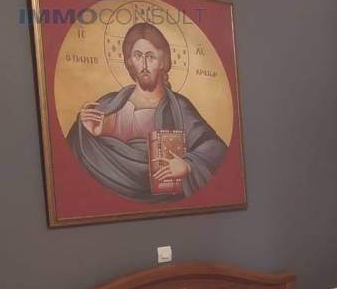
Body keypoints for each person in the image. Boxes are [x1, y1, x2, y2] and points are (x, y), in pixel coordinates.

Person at [67, 22, 227, 200]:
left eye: (150, 57)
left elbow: (216, 148)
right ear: (129, 62)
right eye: (137, 56)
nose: (143, 65)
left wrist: (188, 165)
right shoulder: (108, 104)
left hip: (164, 200)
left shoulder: (179, 107)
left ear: (162, 62)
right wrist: (86, 133)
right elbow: (74, 154)